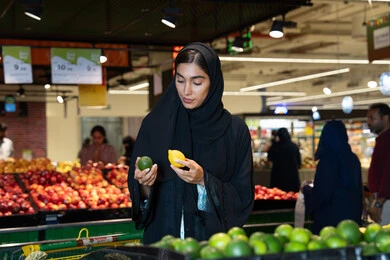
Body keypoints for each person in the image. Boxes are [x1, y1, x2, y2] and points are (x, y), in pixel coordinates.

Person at [128, 42, 254, 244]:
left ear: (213, 82)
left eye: (197, 82)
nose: (186, 91)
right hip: (162, 245)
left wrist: (204, 180)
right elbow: (141, 199)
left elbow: (243, 197)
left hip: (211, 247)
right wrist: (145, 184)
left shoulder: (235, 131)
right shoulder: (155, 125)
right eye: (180, 80)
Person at [302, 120, 363, 234]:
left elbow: (321, 195)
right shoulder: (353, 158)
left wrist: (306, 189)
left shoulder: (327, 160)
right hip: (351, 220)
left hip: (330, 221)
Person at [366, 103, 390, 225]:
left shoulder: (387, 140)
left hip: (385, 201)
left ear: (385, 118)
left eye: (372, 118)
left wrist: (379, 201)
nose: (369, 122)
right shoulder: (382, 140)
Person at [268, 127, 301, 192]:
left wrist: (273, 143)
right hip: (292, 177)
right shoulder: (294, 146)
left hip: (278, 177)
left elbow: (270, 158)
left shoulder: (275, 147)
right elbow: (299, 162)